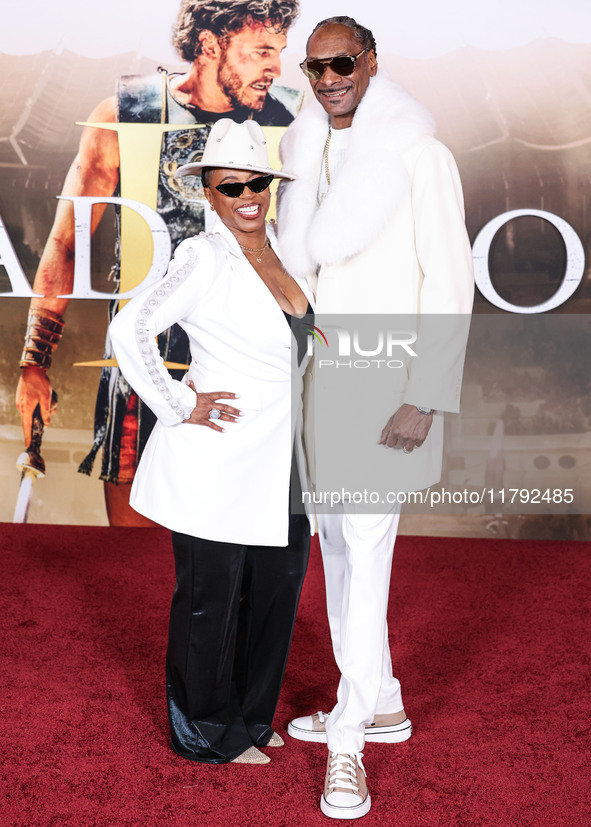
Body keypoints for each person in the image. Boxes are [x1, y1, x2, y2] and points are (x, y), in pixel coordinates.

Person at [277, 16, 474, 819]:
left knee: (365, 552)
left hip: (389, 384)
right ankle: (380, 698)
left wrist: (424, 393)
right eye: (314, 65)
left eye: (341, 63)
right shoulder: (306, 151)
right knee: (340, 552)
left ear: (370, 63)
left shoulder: (418, 155)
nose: (327, 77)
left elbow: (449, 279)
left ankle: (349, 741)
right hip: (320, 387)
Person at [15, 0, 301, 526]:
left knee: (238, 556)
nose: (276, 67)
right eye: (262, 51)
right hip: (142, 367)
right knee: (137, 560)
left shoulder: (293, 118)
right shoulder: (126, 113)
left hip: (248, 371)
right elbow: (67, 243)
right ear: (212, 45)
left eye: (279, 52)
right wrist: (35, 360)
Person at [109, 118, 314, 764]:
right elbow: (130, 328)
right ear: (209, 193)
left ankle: (251, 717)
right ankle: (203, 729)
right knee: (211, 602)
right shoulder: (203, 256)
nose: (248, 196)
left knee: (276, 593)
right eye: (232, 187)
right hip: (218, 458)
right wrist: (178, 404)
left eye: (258, 182)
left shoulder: (285, 247)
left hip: (284, 463)